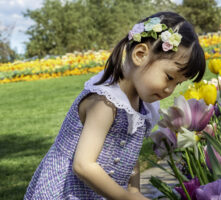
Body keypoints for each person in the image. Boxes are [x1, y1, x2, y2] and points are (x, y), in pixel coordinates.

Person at [24, 11, 206, 200]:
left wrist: (133, 189)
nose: (170, 90)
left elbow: (130, 152)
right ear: (140, 54)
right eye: (169, 77)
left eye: (177, 83)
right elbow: (83, 165)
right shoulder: (105, 103)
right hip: (68, 190)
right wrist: (124, 197)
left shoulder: (143, 106)